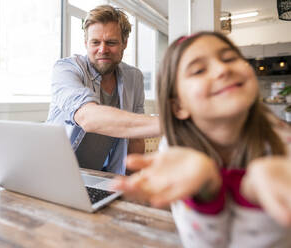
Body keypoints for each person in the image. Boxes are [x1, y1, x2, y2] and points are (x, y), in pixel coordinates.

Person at [113, 31, 291, 247]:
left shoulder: (284, 144)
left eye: (230, 59)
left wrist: (253, 186)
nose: (222, 69)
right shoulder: (177, 154)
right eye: (199, 70)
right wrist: (208, 188)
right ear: (178, 106)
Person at [46, 5, 159, 175]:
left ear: (125, 43)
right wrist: (171, 124)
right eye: (95, 42)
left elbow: (136, 139)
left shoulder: (134, 77)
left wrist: (130, 184)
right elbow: (88, 118)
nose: (102, 50)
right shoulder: (66, 69)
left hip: (99, 176)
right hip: (54, 173)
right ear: (86, 43)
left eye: (111, 42)